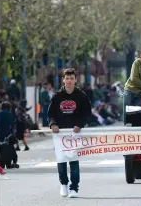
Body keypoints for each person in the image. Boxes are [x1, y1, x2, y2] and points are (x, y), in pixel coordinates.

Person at [48, 68, 92, 198]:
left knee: (73, 161)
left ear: (75, 80)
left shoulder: (81, 96)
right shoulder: (57, 96)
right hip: (59, 134)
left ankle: (74, 188)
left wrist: (80, 124)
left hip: (75, 133)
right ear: (63, 80)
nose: (69, 81)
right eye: (67, 78)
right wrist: (53, 124)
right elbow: (50, 114)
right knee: (61, 161)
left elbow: (86, 113)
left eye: (71, 78)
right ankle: (64, 184)